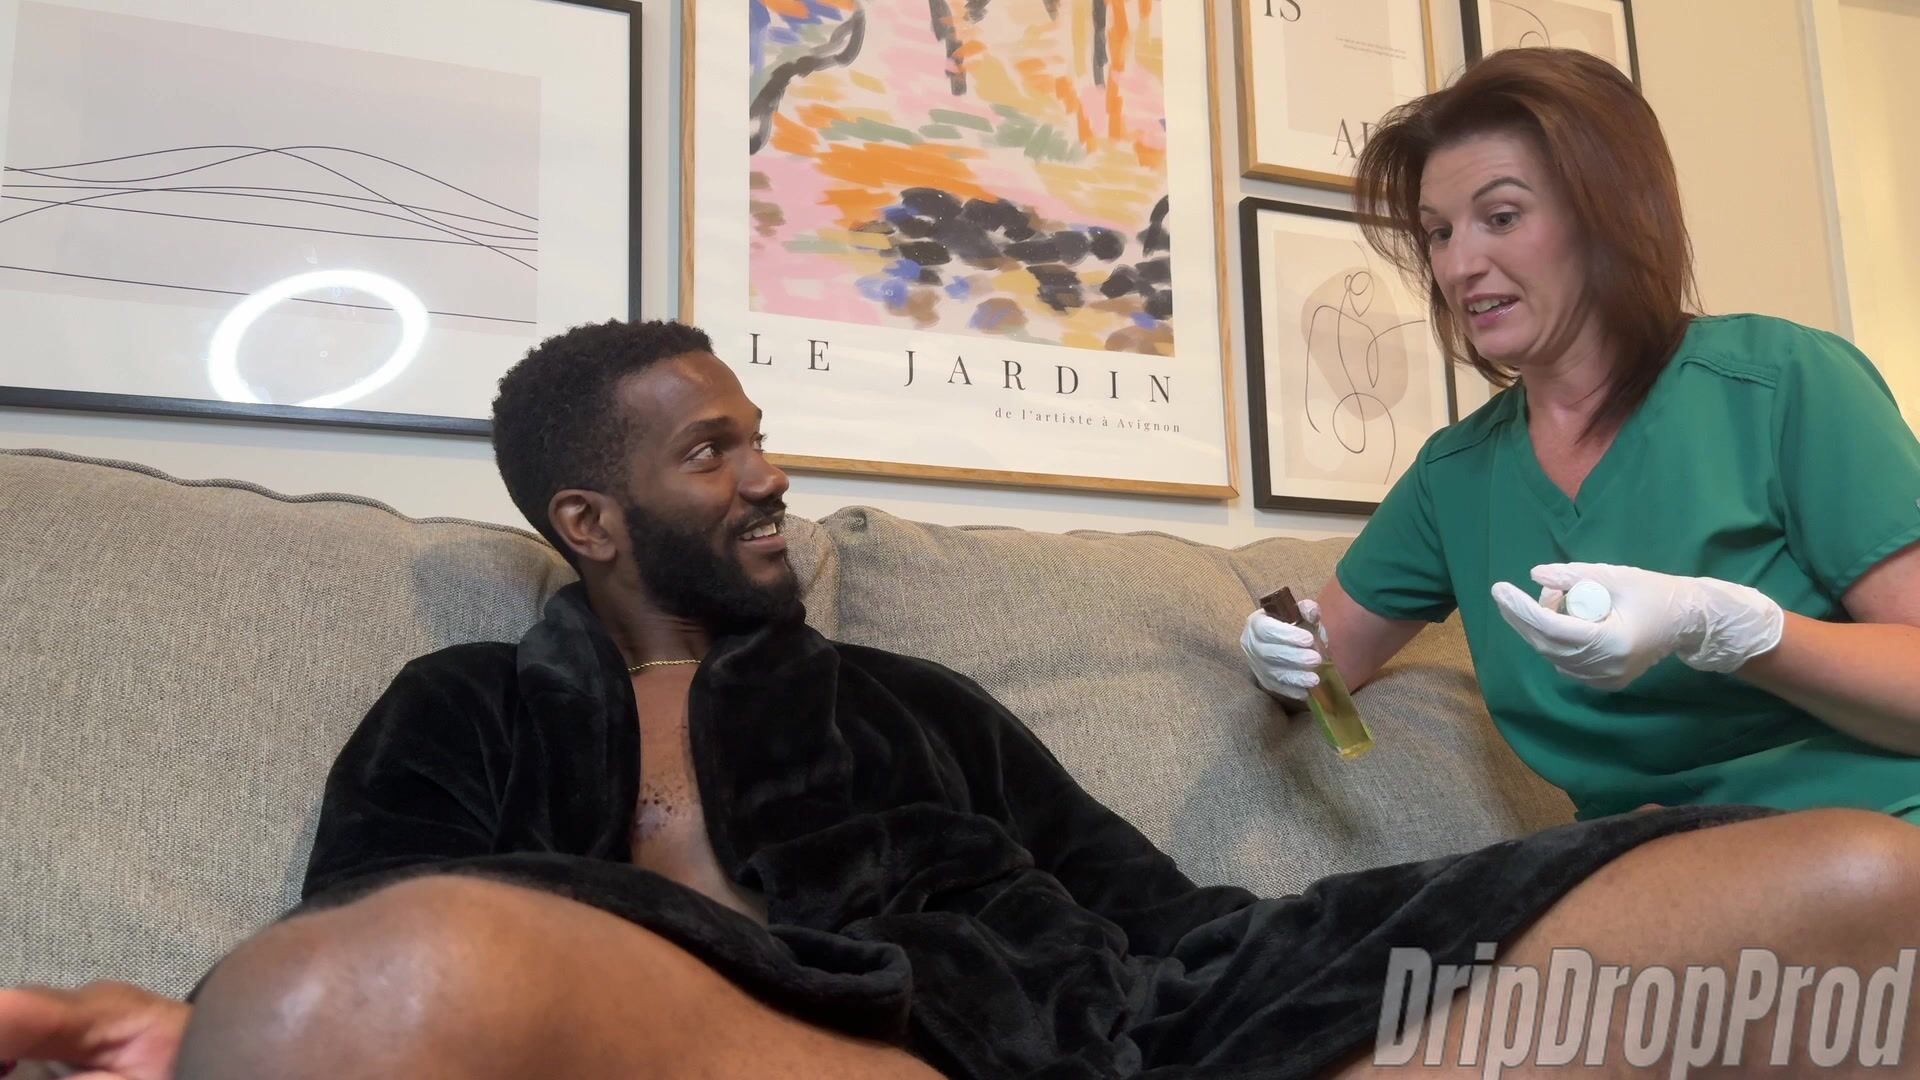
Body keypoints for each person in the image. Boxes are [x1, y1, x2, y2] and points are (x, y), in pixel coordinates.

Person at [3, 319, 1917, 1080]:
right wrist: (213, 1016)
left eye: (759, 431)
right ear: (586, 519)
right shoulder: (471, 708)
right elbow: (353, 924)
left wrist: (1404, 958)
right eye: (710, 450)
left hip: (1083, 1051)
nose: (768, 473)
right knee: (351, 996)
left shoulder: (908, 700)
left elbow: (1172, 925)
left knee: (1862, 892)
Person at [1243, 48, 1920, 823]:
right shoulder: (1455, 477)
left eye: (1501, 218)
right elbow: (1325, 665)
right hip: (1655, 862)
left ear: (1612, 216)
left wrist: (1733, 631)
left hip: (1879, 831)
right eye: (1438, 233)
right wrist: (1279, 662)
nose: (1459, 265)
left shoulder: (1784, 383)